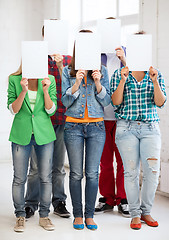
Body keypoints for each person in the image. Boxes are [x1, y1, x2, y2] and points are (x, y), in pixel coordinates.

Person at [61, 30, 111, 230]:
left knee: (92, 173)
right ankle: (78, 215)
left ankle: (89, 215)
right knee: (75, 174)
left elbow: (106, 102)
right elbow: (64, 102)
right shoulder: (68, 71)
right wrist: (76, 84)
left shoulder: (103, 71)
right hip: (73, 126)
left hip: (97, 127)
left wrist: (98, 82)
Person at [111, 56, 166, 229]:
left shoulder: (155, 74)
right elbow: (115, 102)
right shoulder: (119, 74)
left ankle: (146, 212)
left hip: (150, 128)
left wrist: (155, 81)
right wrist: (122, 80)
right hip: (126, 128)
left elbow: (160, 102)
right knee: (131, 173)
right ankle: (135, 214)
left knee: (152, 172)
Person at [24, 23, 72, 219]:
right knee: (35, 167)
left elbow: (70, 88)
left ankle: (59, 201)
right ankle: (30, 203)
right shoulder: (35, 58)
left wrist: (61, 66)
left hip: (61, 118)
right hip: (41, 120)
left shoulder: (69, 60)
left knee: (58, 166)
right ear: (44, 36)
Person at [7, 62, 57, 232]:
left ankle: (44, 216)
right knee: (19, 178)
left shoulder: (48, 79)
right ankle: (20, 216)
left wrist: (45, 90)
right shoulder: (15, 79)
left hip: (44, 134)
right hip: (21, 134)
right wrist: (23, 91)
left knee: (45, 176)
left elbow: (51, 110)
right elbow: (13, 109)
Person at [95, 38, 130, 217]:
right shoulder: (96, 55)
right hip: (101, 117)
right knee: (105, 162)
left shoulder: (126, 54)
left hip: (122, 117)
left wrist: (125, 60)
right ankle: (107, 198)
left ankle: (123, 199)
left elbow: (138, 78)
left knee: (123, 161)